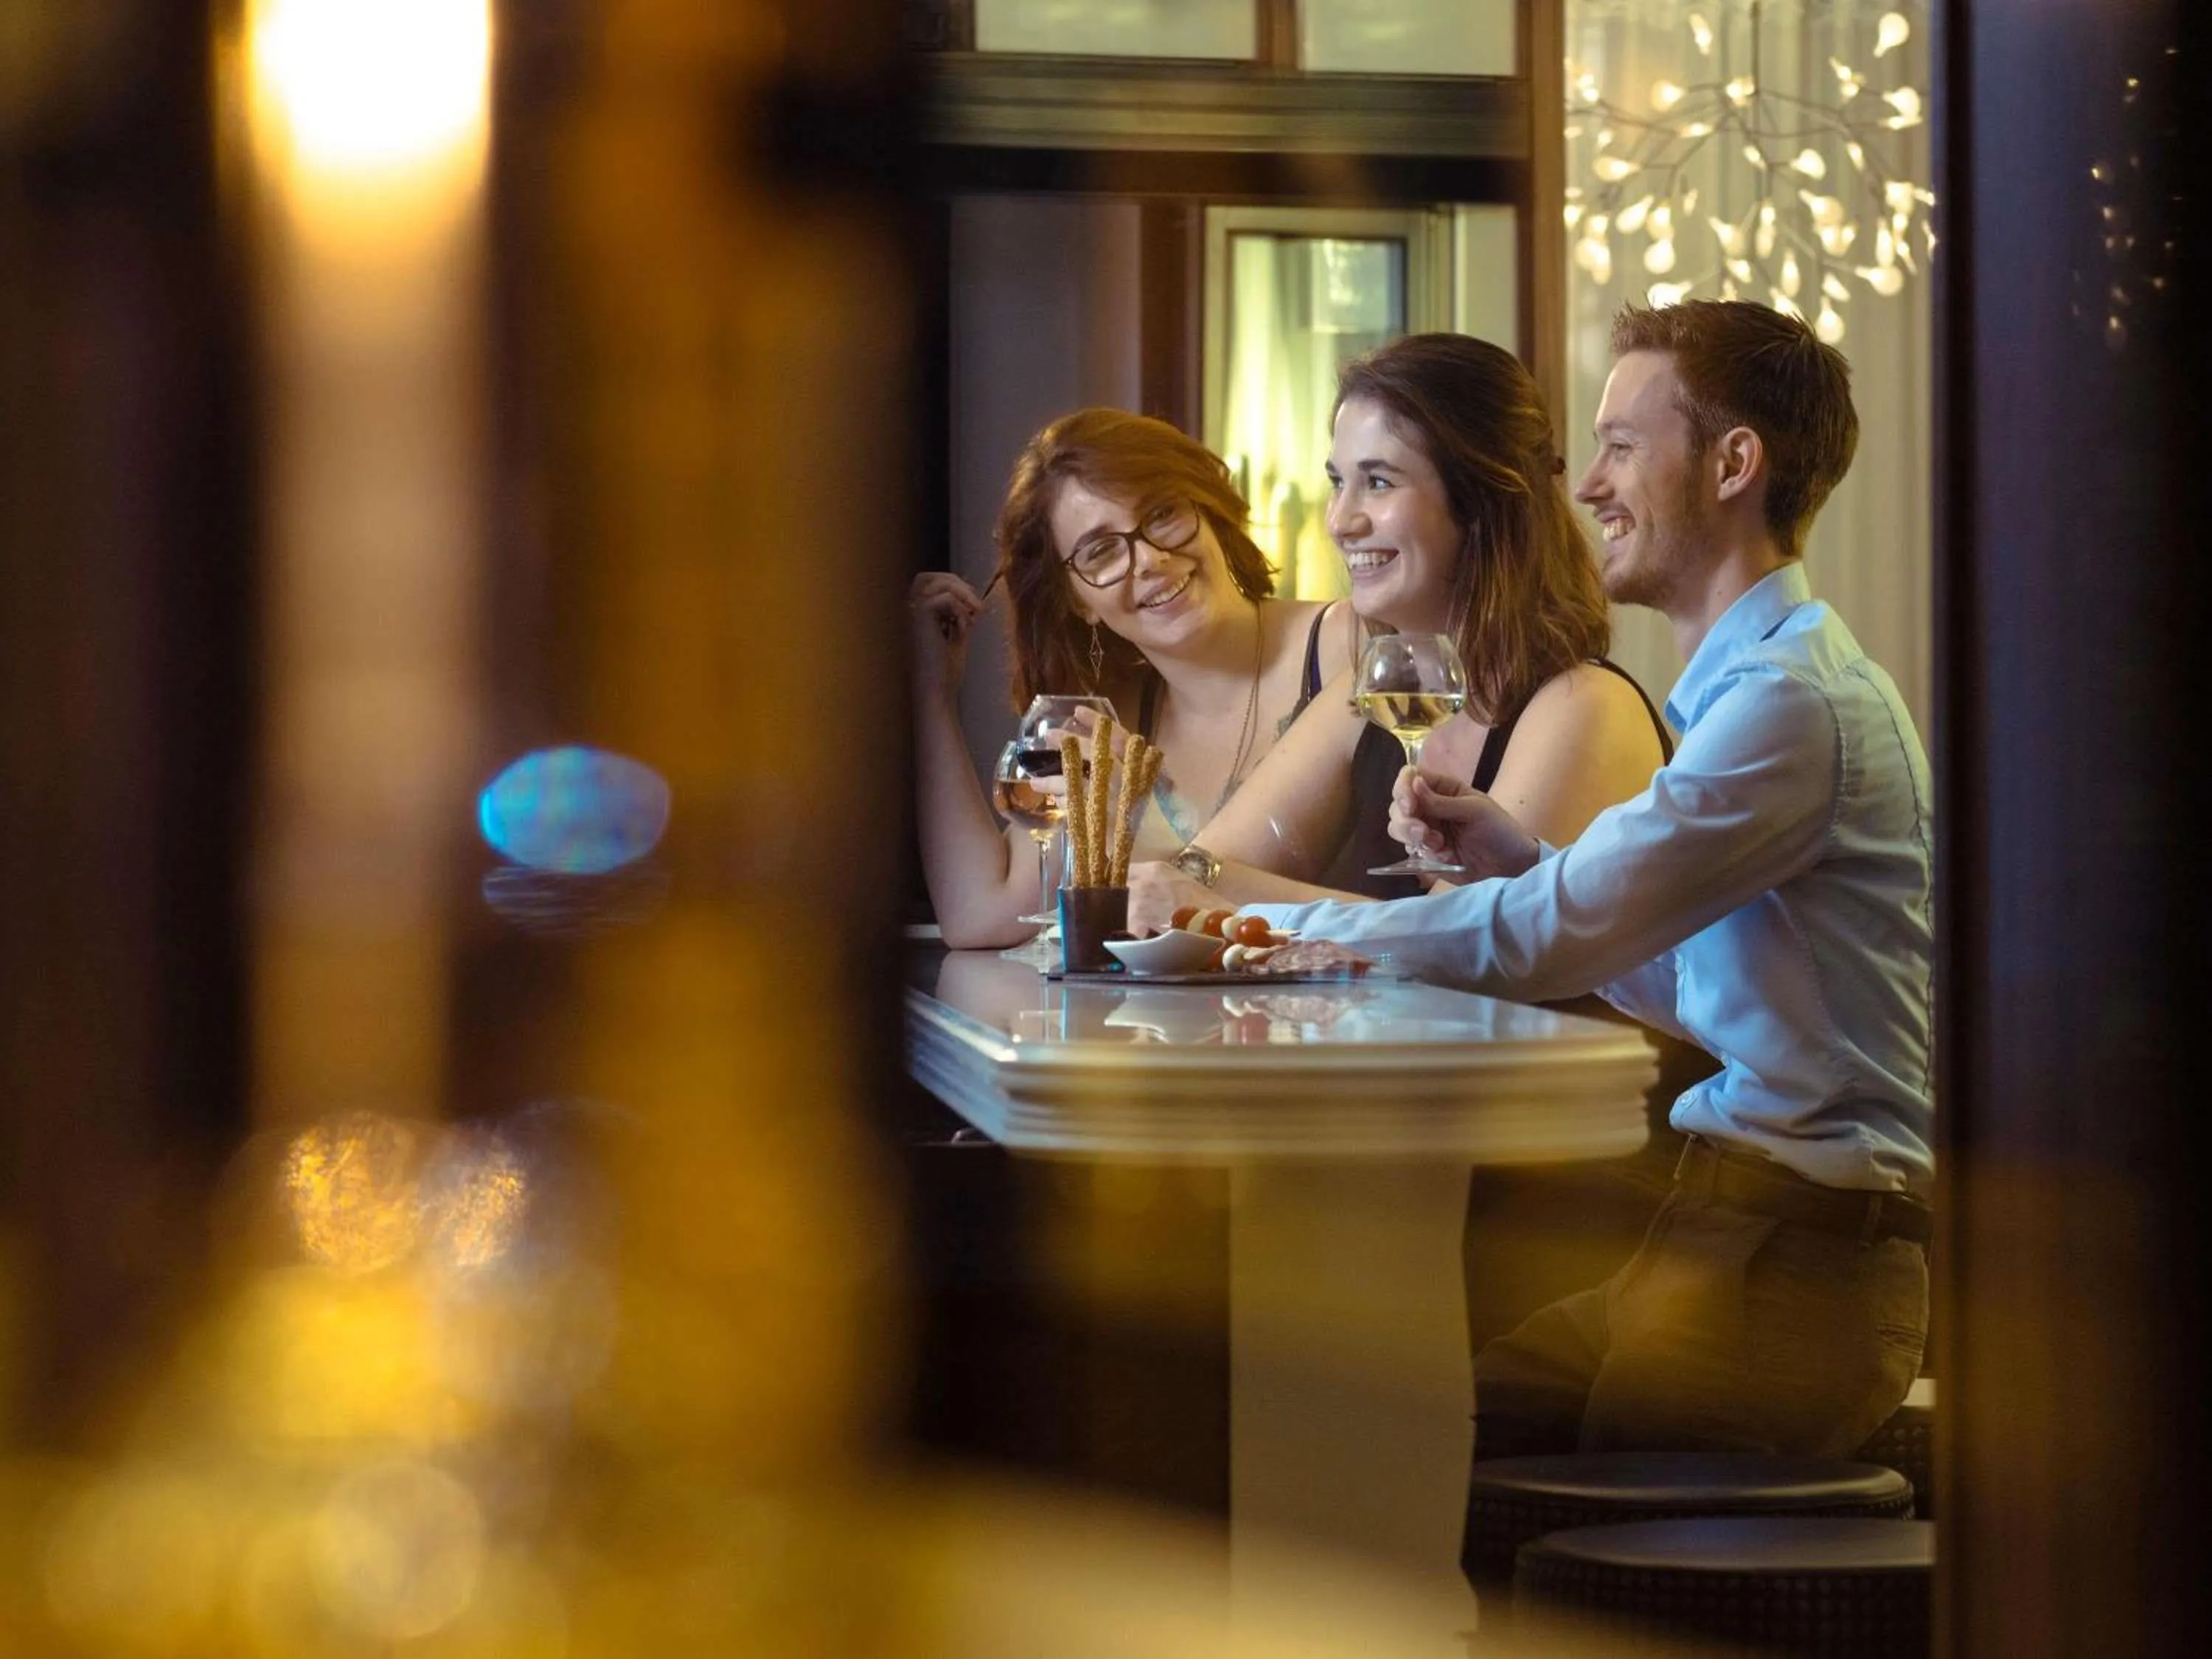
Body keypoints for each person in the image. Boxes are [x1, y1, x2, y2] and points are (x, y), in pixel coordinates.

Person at [1239, 300, 1934, 1473]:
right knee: (1459, 1437)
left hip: (1797, 1258)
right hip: (1722, 1227)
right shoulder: (1754, 690)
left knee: (1515, 1519)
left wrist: (1282, 930)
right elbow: (1667, 973)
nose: (1589, 484)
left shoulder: (1789, 705)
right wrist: (1521, 858)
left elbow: (1549, 944)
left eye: (1620, 444)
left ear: (1732, 463)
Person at [1126, 334, 1669, 932]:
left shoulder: (1584, 706)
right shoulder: (1375, 693)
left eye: (1378, 483)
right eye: (1338, 482)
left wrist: (1224, 897)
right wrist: (1198, 879)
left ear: (1483, 502)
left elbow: (1453, 940)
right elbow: (1203, 865)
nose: (1341, 521)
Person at [911, 408, 1354, 948]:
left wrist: (1140, 829)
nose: (1148, 558)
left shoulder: (1344, 645)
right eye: (1100, 551)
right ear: (1079, 601)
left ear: (1209, 510)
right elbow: (981, 915)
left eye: (1162, 513)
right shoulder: (1114, 719)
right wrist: (930, 697)